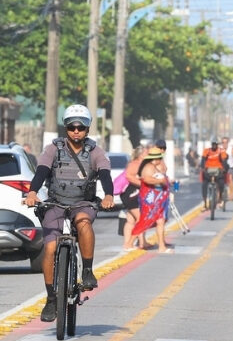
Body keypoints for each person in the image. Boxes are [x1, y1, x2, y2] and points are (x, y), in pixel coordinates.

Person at [23, 104, 114, 322]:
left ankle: (88, 271)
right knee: (50, 248)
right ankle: (51, 298)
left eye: (80, 128)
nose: (76, 131)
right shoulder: (53, 149)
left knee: (83, 222)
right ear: (66, 128)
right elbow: (42, 171)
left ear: (87, 129)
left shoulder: (95, 152)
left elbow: (105, 174)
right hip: (56, 203)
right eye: (72, 127)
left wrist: (109, 195)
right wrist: (32, 192)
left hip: (83, 203)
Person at [131, 146, 172, 253]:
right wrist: (160, 181)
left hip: (158, 199)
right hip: (151, 200)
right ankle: (129, 243)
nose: (161, 160)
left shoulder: (154, 166)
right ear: (156, 158)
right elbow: (147, 179)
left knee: (160, 221)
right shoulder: (148, 167)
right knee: (145, 221)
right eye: (160, 158)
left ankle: (162, 246)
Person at [120, 146, 147, 250]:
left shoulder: (139, 163)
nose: (148, 154)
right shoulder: (135, 164)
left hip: (133, 194)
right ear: (141, 155)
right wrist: (142, 184)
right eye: (146, 153)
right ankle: (133, 243)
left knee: (131, 220)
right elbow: (129, 176)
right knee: (141, 219)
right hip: (131, 194)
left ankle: (134, 243)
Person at [201, 140, 229, 209]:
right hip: (208, 171)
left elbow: (224, 161)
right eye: (213, 144)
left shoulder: (221, 151)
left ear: (217, 145)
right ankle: (205, 202)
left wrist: (224, 169)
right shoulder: (207, 151)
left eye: (215, 144)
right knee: (204, 185)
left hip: (218, 171)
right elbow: (203, 160)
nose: (214, 146)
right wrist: (203, 168)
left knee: (221, 183)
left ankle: (220, 197)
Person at [221, 136, 233, 200]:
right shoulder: (219, 149)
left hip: (230, 167)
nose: (224, 144)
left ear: (228, 143)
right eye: (223, 142)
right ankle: (218, 195)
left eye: (226, 142)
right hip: (221, 168)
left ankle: (231, 195)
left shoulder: (232, 150)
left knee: (230, 179)